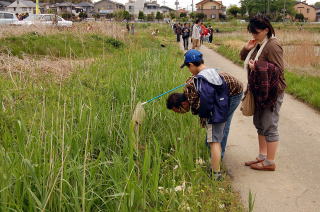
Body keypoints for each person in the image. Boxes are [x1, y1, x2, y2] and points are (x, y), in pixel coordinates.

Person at [166, 50, 243, 180]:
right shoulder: (193, 82)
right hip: (226, 90)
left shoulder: (193, 90)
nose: (181, 114)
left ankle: (216, 163)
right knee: (216, 129)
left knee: (220, 128)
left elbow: (207, 109)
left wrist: (210, 122)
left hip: (233, 92)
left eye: (178, 111)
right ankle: (214, 154)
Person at [240, 15, 286, 171]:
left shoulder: (273, 45)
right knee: (260, 124)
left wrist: (257, 67)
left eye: (256, 32)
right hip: (259, 91)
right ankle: (262, 156)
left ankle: (270, 162)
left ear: (266, 30)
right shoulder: (259, 44)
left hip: (271, 93)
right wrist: (246, 48)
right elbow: (244, 59)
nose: (254, 36)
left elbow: (279, 70)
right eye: (252, 33)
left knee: (269, 125)